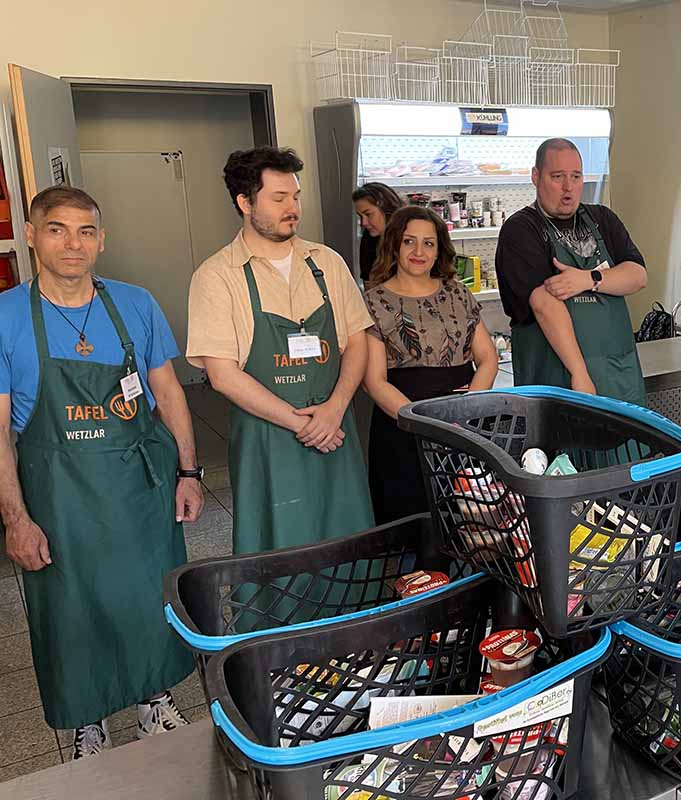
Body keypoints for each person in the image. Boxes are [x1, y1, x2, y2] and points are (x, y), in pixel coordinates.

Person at [0, 187, 200, 758]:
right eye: (57, 229)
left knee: (148, 595)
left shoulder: (134, 303)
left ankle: (154, 701)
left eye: (86, 231)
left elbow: (167, 392)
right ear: (33, 236)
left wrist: (189, 471)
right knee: (71, 605)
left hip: (139, 484)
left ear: (102, 240)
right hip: (58, 492)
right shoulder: (6, 316)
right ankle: (88, 719)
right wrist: (16, 518)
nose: (73, 244)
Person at [187, 146, 374, 555]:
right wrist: (304, 424)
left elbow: (358, 339)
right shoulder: (217, 276)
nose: (293, 208)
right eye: (278, 198)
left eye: (295, 196)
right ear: (244, 202)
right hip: (268, 441)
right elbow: (223, 375)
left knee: (347, 544)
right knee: (279, 551)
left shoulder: (326, 262)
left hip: (336, 429)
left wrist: (335, 407)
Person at [361, 206, 498, 524]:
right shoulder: (373, 301)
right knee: (412, 526)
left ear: (439, 251)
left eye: (429, 243)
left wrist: (468, 411)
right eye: (409, 242)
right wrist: (421, 424)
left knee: (470, 519)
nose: (419, 251)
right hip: (403, 426)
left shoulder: (457, 293)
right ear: (394, 245)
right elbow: (374, 381)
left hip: (464, 424)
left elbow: (487, 357)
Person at [495, 138, 648, 404]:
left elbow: (637, 275)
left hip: (617, 376)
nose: (568, 187)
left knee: (624, 441)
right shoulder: (521, 230)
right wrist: (579, 372)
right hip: (558, 378)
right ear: (536, 176)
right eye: (557, 177)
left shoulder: (603, 219)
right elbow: (544, 303)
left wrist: (587, 279)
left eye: (575, 176)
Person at [353, 182, 405, 283]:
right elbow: (368, 282)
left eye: (368, 214)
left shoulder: (411, 235)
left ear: (386, 208)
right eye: (360, 216)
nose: (364, 223)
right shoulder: (369, 238)